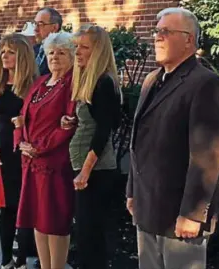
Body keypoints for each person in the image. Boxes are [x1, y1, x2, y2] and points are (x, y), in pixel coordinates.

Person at [126, 8, 219, 269]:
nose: (158, 37)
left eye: (166, 32)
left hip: (180, 214)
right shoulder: (152, 80)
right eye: (157, 31)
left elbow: (208, 154)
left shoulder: (205, 83)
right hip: (147, 206)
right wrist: (132, 190)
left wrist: (193, 214)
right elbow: (139, 139)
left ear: (189, 40)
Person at [14, 32, 76, 269]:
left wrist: (38, 148)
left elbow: (69, 125)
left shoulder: (70, 85)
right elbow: (21, 117)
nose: (55, 57)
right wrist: (20, 142)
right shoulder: (41, 82)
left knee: (55, 221)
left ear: (71, 56)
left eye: (61, 52)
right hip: (30, 163)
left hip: (54, 164)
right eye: (51, 52)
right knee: (37, 220)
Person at [68, 24, 121, 269]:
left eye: (84, 47)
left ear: (98, 51)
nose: (77, 52)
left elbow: (104, 131)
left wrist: (86, 171)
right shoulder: (88, 79)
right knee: (84, 235)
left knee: (92, 238)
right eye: (76, 46)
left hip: (96, 172)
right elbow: (93, 120)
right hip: (84, 167)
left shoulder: (104, 83)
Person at [0, 34, 37, 269]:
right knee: (6, 207)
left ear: (22, 56)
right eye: (2, 51)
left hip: (26, 153)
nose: (4, 56)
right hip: (1, 154)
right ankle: (6, 260)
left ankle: (23, 259)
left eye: (10, 52)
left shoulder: (35, 85)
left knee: (26, 206)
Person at [33, 7, 62, 76]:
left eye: (40, 24)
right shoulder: (32, 50)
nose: (35, 29)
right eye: (35, 24)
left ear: (55, 27)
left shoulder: (62, 53)